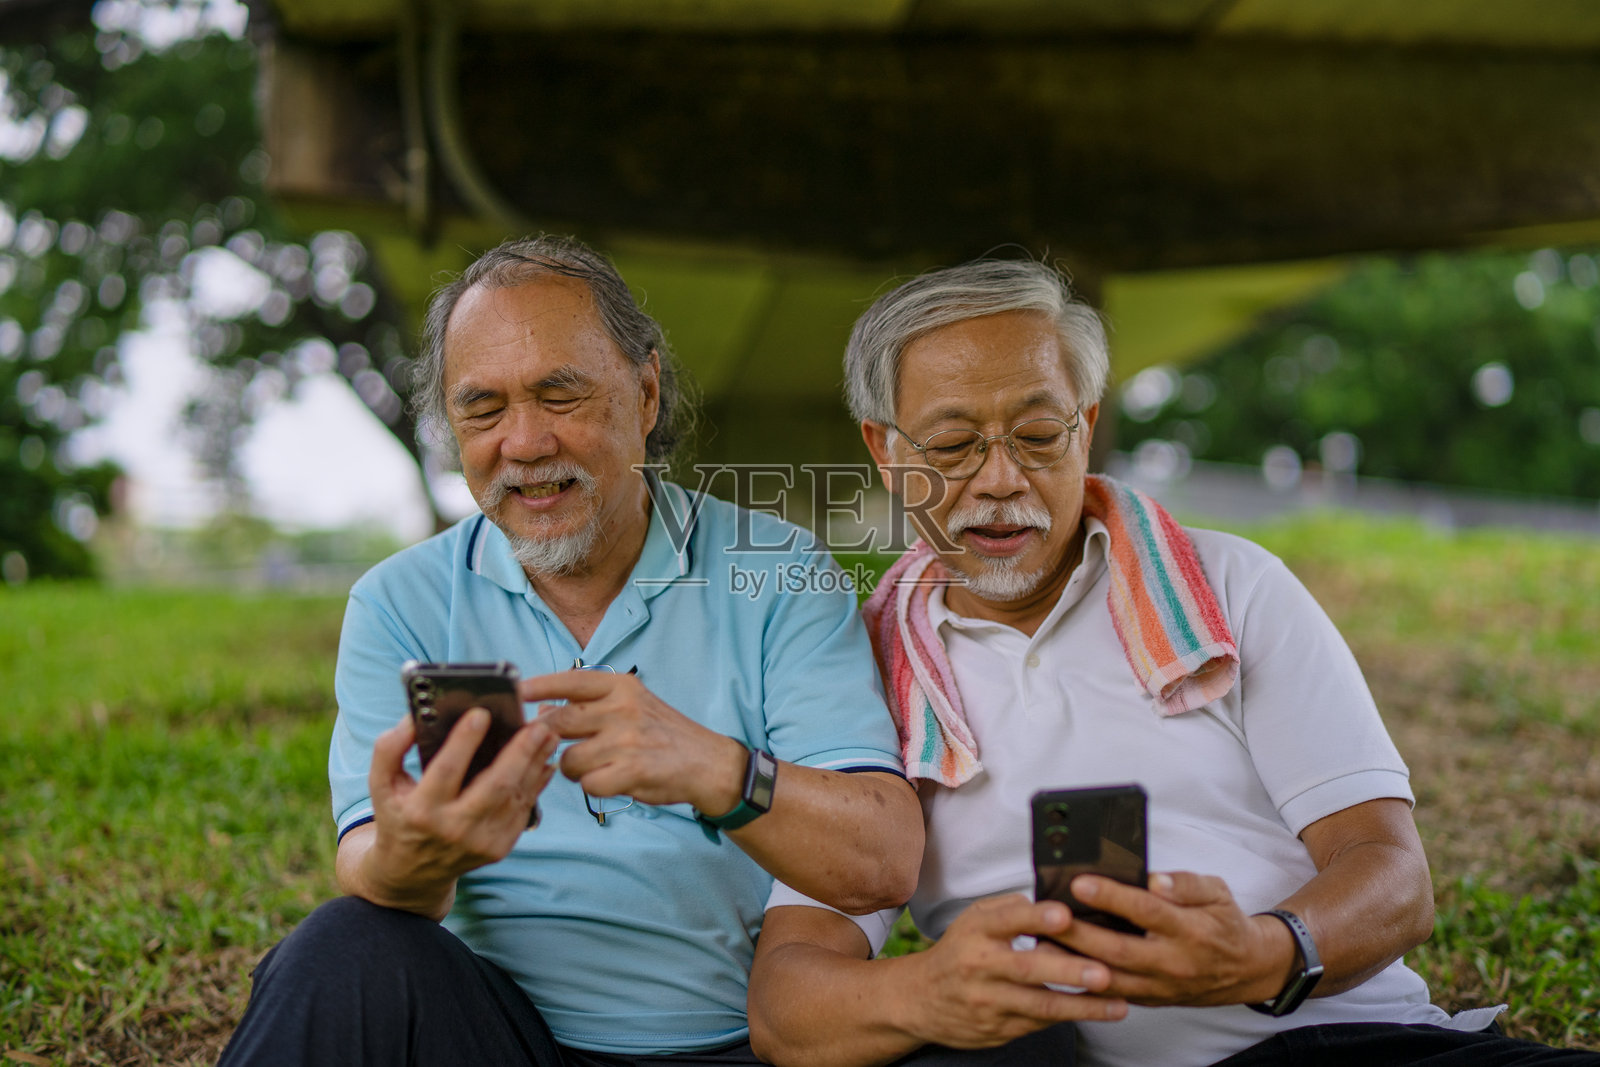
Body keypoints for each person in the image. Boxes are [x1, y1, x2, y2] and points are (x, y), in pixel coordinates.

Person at [747, 258, 1599, 1067]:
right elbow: (788, 1005)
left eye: (1040, 433)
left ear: (1086, 424)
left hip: (1342, 1042)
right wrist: (928, 990)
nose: (1000, 478)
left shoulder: (1230, 585)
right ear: (887, 453)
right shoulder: (860, 667)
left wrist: (1267, 950)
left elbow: (1393, 872)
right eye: (953, 444)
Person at [218, 235, 923, 1067]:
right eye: (483, 408)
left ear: (646, 392)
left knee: (1034, 1035)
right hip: (496, 1042)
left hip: (741, 1046)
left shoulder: (779, 572)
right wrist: (414, 854)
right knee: (341, 946)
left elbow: (882, 857)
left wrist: (718, 771)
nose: (524, 442)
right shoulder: (399, 601)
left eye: (561, 396)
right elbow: (370, 860)